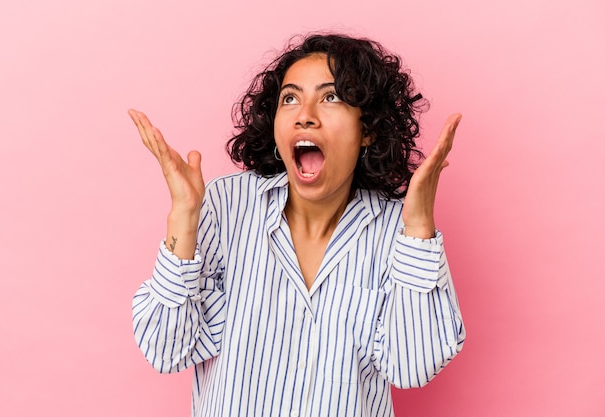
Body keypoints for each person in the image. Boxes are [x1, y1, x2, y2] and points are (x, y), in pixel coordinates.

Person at [129, 33, 465, 417]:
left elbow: (412, 367)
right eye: (290, 98)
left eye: (330, 97)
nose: (305, 114)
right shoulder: (225, 207)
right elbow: (165, 351)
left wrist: (420, 225)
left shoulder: (398, 232)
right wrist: (184, 218)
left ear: (367, 129)